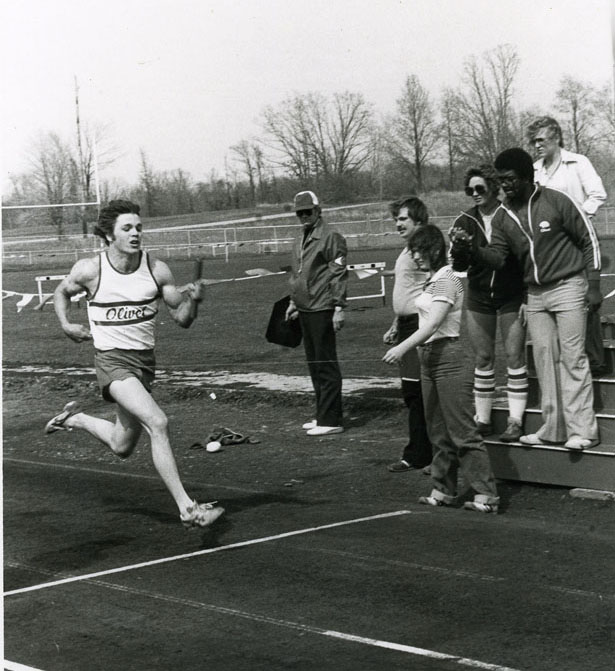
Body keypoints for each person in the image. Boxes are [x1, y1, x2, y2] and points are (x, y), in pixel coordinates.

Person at [45, 200, 224, 529]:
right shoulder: (90, 269)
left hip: (143, 366)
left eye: (139, 227)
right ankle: (187, 508)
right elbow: (61, 293)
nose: (136, 233)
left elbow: (181, 319)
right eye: (127, 228)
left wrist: (193, 302)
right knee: (157, 422)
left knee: (121, 445)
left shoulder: (157, 270)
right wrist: (66, 325)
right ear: (110, 235)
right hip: (112, 363)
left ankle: (76, 419)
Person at [452, 148, 601, 450]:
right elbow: (496, 257)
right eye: (501, 180)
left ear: (526, 177)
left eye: (509, 180)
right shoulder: (505, 216)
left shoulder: (556, 201)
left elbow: (588, 239)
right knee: (544, 361)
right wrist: (472, 250)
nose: (505, 186)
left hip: (568, 285)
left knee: (573, 358)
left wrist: (593, 285)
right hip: (534, 293)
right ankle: (553, 429)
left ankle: (583, 430)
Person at [383, 225, 500, 514]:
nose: (416, 258)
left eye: (420, 252)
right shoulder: (432, 280)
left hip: (451, 356)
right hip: (429, 358)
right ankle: (444, 489)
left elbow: (434, 323)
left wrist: (401, 348)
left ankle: (486, 493)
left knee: (462, 431)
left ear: (435, 250)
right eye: (413, 253)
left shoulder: (447, 279)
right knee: (437, 430)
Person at [449, 166, 527, 443]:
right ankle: (483, 420)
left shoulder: (510, 215)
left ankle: (515, 420)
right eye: (470, 190)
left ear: (494, 188)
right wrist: (459, 250)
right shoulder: (464, 220)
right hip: (479, 295)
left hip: (511, 294)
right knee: (483, 358)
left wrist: (527, 296)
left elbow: (512, 259)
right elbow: (458, 266)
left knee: (515, 357)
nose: (474, 194)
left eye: (480, 189)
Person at [527, 116, 608, 376]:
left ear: (556, 138)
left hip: (577, 238)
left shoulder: (578, 162)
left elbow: (598, 193)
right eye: (533, 141)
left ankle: (594, 358)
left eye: (541, 139)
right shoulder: (535, 169)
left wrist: (579, 217)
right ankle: (565, 359)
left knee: (586, 297)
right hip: (548, 244)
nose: (536, 145)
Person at [285, 191, 348, 436]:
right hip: (305, 307)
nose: (303, 217)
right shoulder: (300, 236)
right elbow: (297, 273)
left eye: (307, 212)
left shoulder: (331, 236)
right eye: (299, 213)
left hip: (323, 307)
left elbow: (339, 273)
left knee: (326, 364)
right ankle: (323, 413)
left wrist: (339, 307)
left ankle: (332, 419)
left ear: (318, 210)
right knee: (314, 364)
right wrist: (293, 301)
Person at [382, 196, 432, 472]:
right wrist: (395, 323)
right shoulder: (407, 249)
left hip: (419, 325)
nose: (398, 224)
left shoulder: (424, 248)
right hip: (405, 324)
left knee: (418, 391)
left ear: (419, 221)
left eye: (403, 219)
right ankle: (420, 451)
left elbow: (431, 287)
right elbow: (407, 290)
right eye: (397, 219)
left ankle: (421, 454)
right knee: (412, 391)